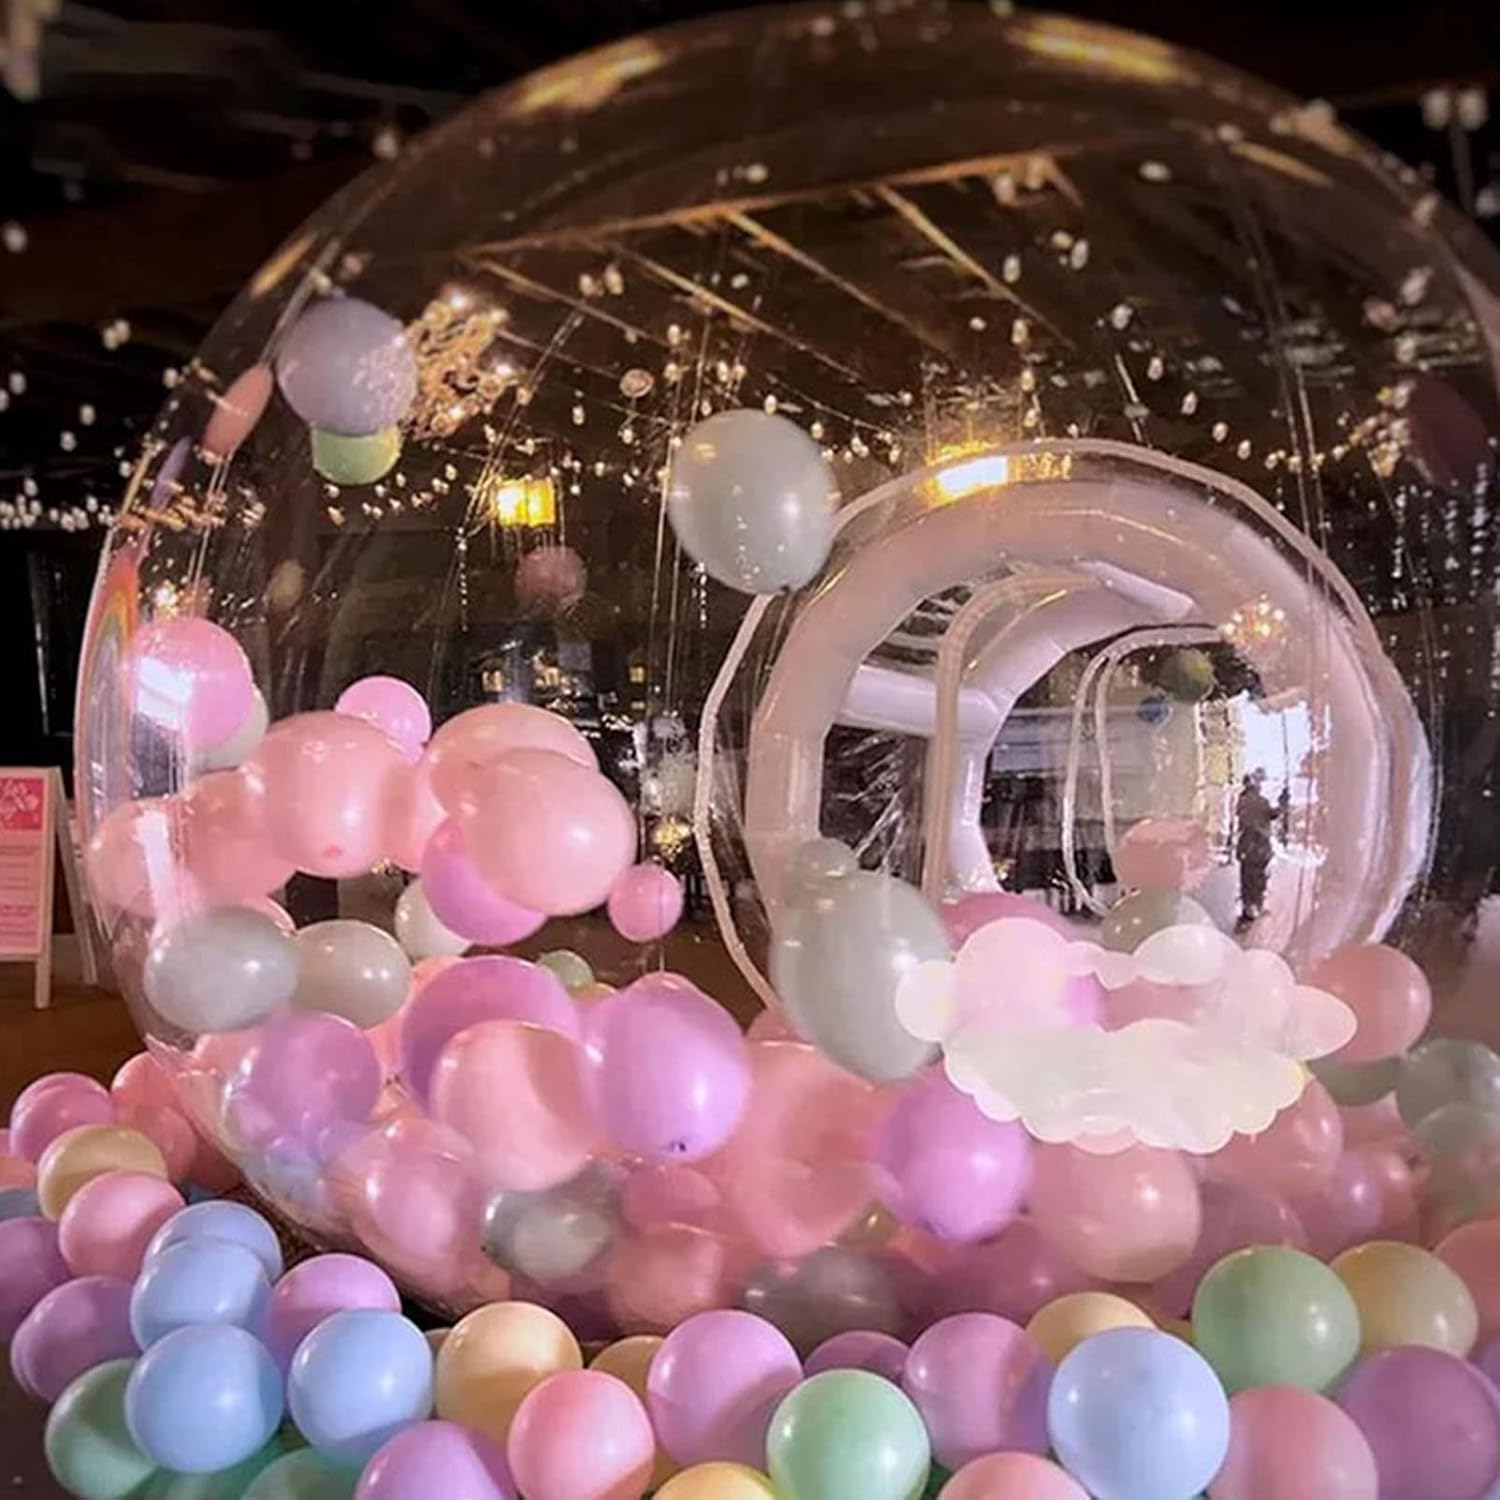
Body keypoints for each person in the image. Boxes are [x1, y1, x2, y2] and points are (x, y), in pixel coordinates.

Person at [1235, 770, 1275, 929]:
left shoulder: (1242, 801)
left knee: (1247, 879)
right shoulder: (1262, 801)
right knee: (1259, 877)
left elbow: (1242, 820)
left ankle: (1248, 909)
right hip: (1260, 846)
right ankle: (1256, 905)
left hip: (1247, 846)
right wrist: (1282, 808)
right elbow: (1271, 814)